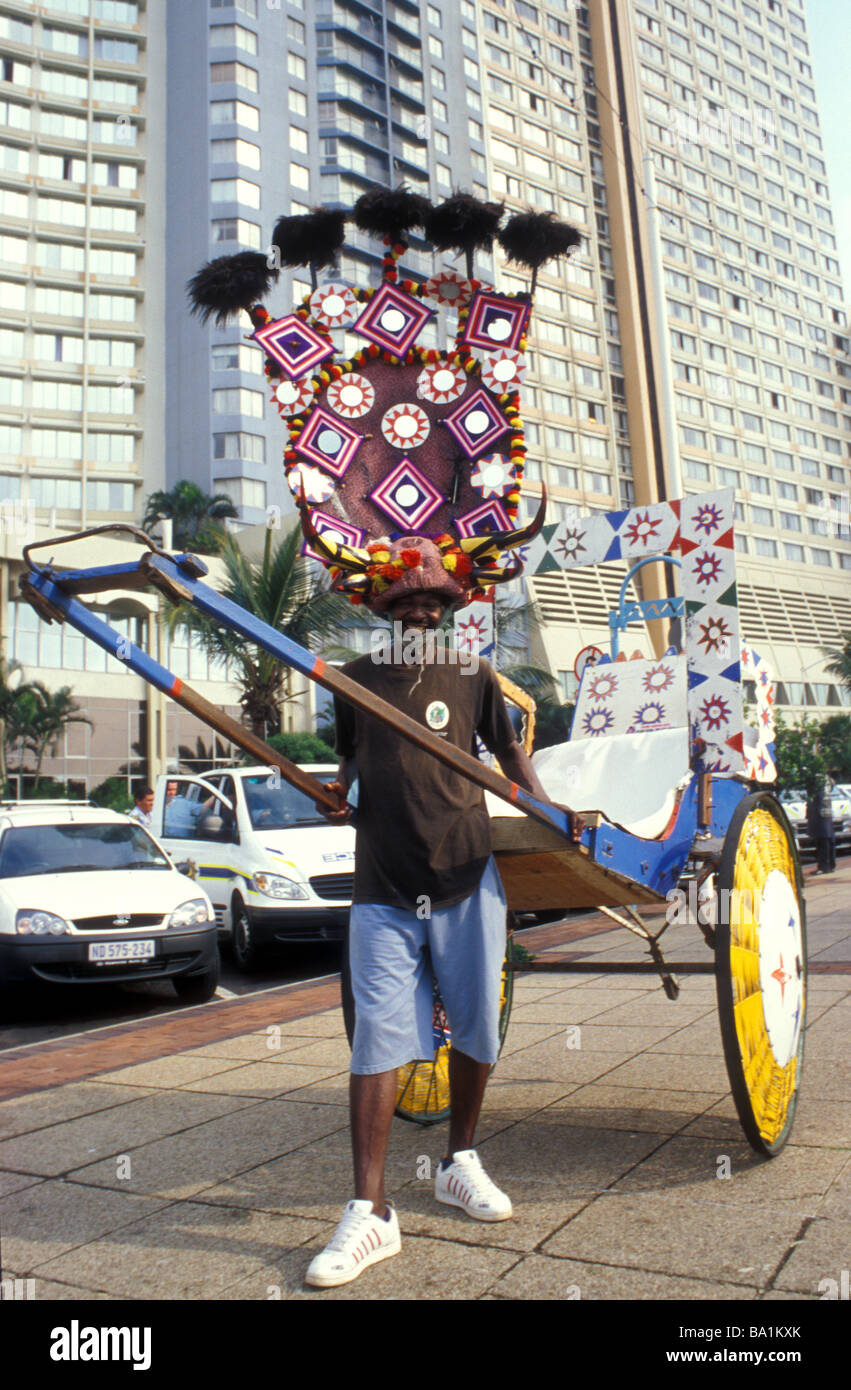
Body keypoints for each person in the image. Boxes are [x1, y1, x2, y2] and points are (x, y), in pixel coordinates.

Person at [303, 557, 581, 1289]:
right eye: (406, 606)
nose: (419, 616)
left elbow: (509, 751)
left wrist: (548, 811)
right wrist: (336, 791)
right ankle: (369, 1210)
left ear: (448, 613)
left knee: (475, 1024)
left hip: (465, 873)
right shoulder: (352, 679)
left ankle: (459, 1162)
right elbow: (355, 756)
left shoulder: (472, 675)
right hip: (382, 884)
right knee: (375, 1040)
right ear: (385, 613)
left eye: (432, 606)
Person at [807, 775, 836, 875]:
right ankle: (830, 865)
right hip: (826, 814)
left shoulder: (817, 780)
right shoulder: (827, 780)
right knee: (828, 841)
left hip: (820, 816)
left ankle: (824, 866)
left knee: (822, 842)